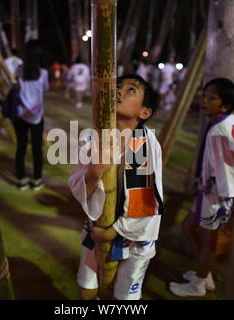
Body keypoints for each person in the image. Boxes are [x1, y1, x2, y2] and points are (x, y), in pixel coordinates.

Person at [68, 74, 164, 300]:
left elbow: (146, 199)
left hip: (134, 235)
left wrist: (114, 231)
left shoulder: (146, 144)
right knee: (86, 288)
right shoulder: (92, 138)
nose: (119, 91)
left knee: (124, 298)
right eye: (117, 87)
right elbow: (76, 183)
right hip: (98, 226)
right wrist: (94, 173)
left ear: (144, 112)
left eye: (131, 90)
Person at [169, 78, 234, 297]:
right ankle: (204, 273)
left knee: (209, 241)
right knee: (188, 228)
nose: (204, 100)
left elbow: (225, 165)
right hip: (211, 191)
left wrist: (220, 194)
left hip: (217, 194)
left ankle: (199, 284)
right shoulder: (229, 121)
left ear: (225, 106)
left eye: (212, 98)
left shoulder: (219, 130)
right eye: (204, 95)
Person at [13, 40, 48, 191]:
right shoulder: (44, 73)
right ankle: (37, 179)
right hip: (37, 116)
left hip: (20, 114)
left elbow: (16, 87)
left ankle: (21, 179)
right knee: (36, 148)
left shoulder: (19, 70)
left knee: (20, 147)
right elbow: (45, 90)